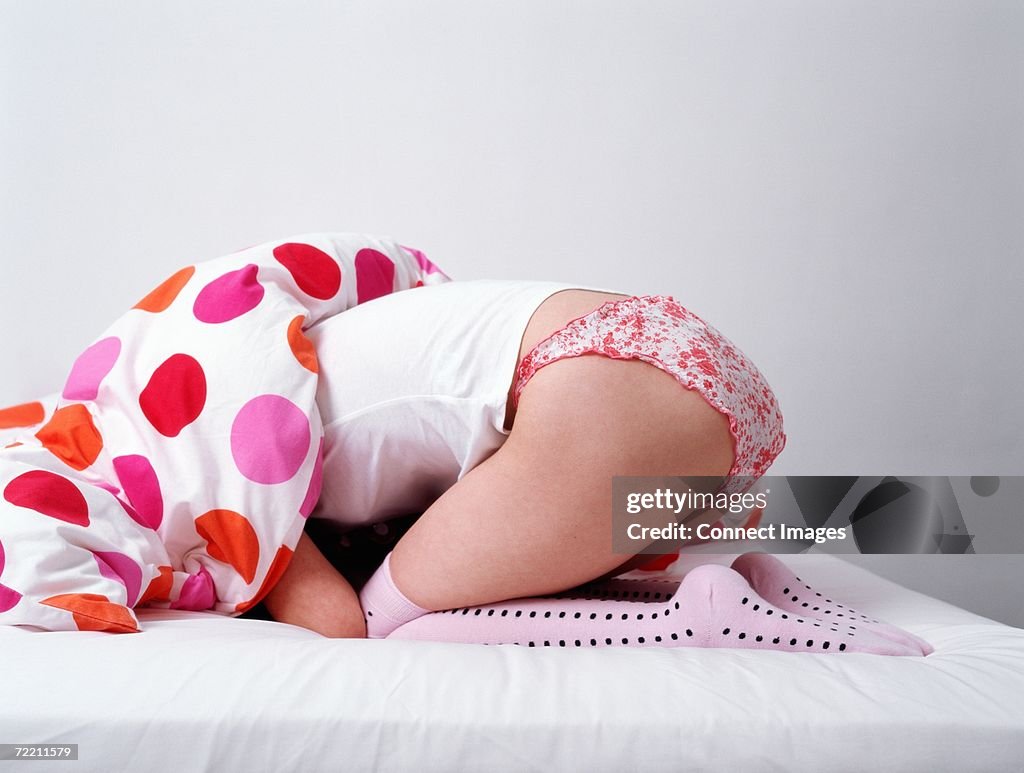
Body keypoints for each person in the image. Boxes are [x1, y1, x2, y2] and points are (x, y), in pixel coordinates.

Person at [260, 279, 932, 656]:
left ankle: (691, 616)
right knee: (500, 561)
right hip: (671, 354)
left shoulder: (224, 466)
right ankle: (752, 574)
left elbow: (336, 623)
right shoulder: (287, 352)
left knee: (386, 619)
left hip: (593, 393)